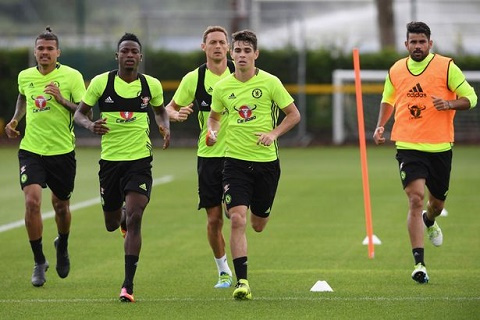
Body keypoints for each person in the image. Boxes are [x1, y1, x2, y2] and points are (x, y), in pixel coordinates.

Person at [373, 21, 477, 284]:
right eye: (413, 42)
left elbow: (471, 98)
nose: (417, 46)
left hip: (440, 146)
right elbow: (388, 99)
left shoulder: (446, 67)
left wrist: (450, 103)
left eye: (422, 42)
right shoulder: (396, 69)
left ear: (430, 44)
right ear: (405, 44)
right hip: (408, 145)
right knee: (415, 198)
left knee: (436, 204)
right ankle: (419, 264)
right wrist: (381, 126)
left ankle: (430, 221)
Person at [74, 33, 170, 302]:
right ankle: (123, 216)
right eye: (124, 51)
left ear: (140, 57)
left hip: (139, 161)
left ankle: (128, 285)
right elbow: (79, 113)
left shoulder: (151, 85)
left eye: (134, 51)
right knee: (112, 222)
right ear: (117, 56)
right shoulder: (101, 83)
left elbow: (161, 111)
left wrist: (165, 127)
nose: (129, 55)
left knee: (137, 216)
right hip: (110, 164)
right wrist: (90, 125)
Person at [206, 29, 301, 300]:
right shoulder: (223, 87)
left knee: (258, 224)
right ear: (231, 53)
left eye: (248, 51)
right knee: (237, 219)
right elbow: (214, 117)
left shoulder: (271, 83)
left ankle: (248, 209)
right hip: (234, 162)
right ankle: (242, 282)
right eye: (238, 50)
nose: (242, 55)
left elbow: (294, 115)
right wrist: (211, 132)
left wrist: (273, 134)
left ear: (256, 54)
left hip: (266, 165)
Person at [4, 27, 86, 287]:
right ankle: (39, 261)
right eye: (40, 48)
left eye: (50, 49)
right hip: (31, 150)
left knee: (61, 207)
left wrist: (61, 99)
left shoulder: (72, 77)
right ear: (35, 52)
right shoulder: (25, 76)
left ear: (57, 52)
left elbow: (85, 113)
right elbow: (22, 96)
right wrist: (16, 119)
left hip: (62, 152)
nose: (44, 53)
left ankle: (62, 243)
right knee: (32, 202)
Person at [166, 26, 235, 289]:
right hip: (208, 156)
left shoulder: (239, 75)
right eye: (212, 42)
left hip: (237, 155)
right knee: (213, 219)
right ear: (203, 47)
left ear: (228, 47)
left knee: (235, 212)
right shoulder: (193, 79)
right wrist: (176, 114)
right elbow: (169, 109)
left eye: (222, 42)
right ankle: (224, 271)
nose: (218, 46)